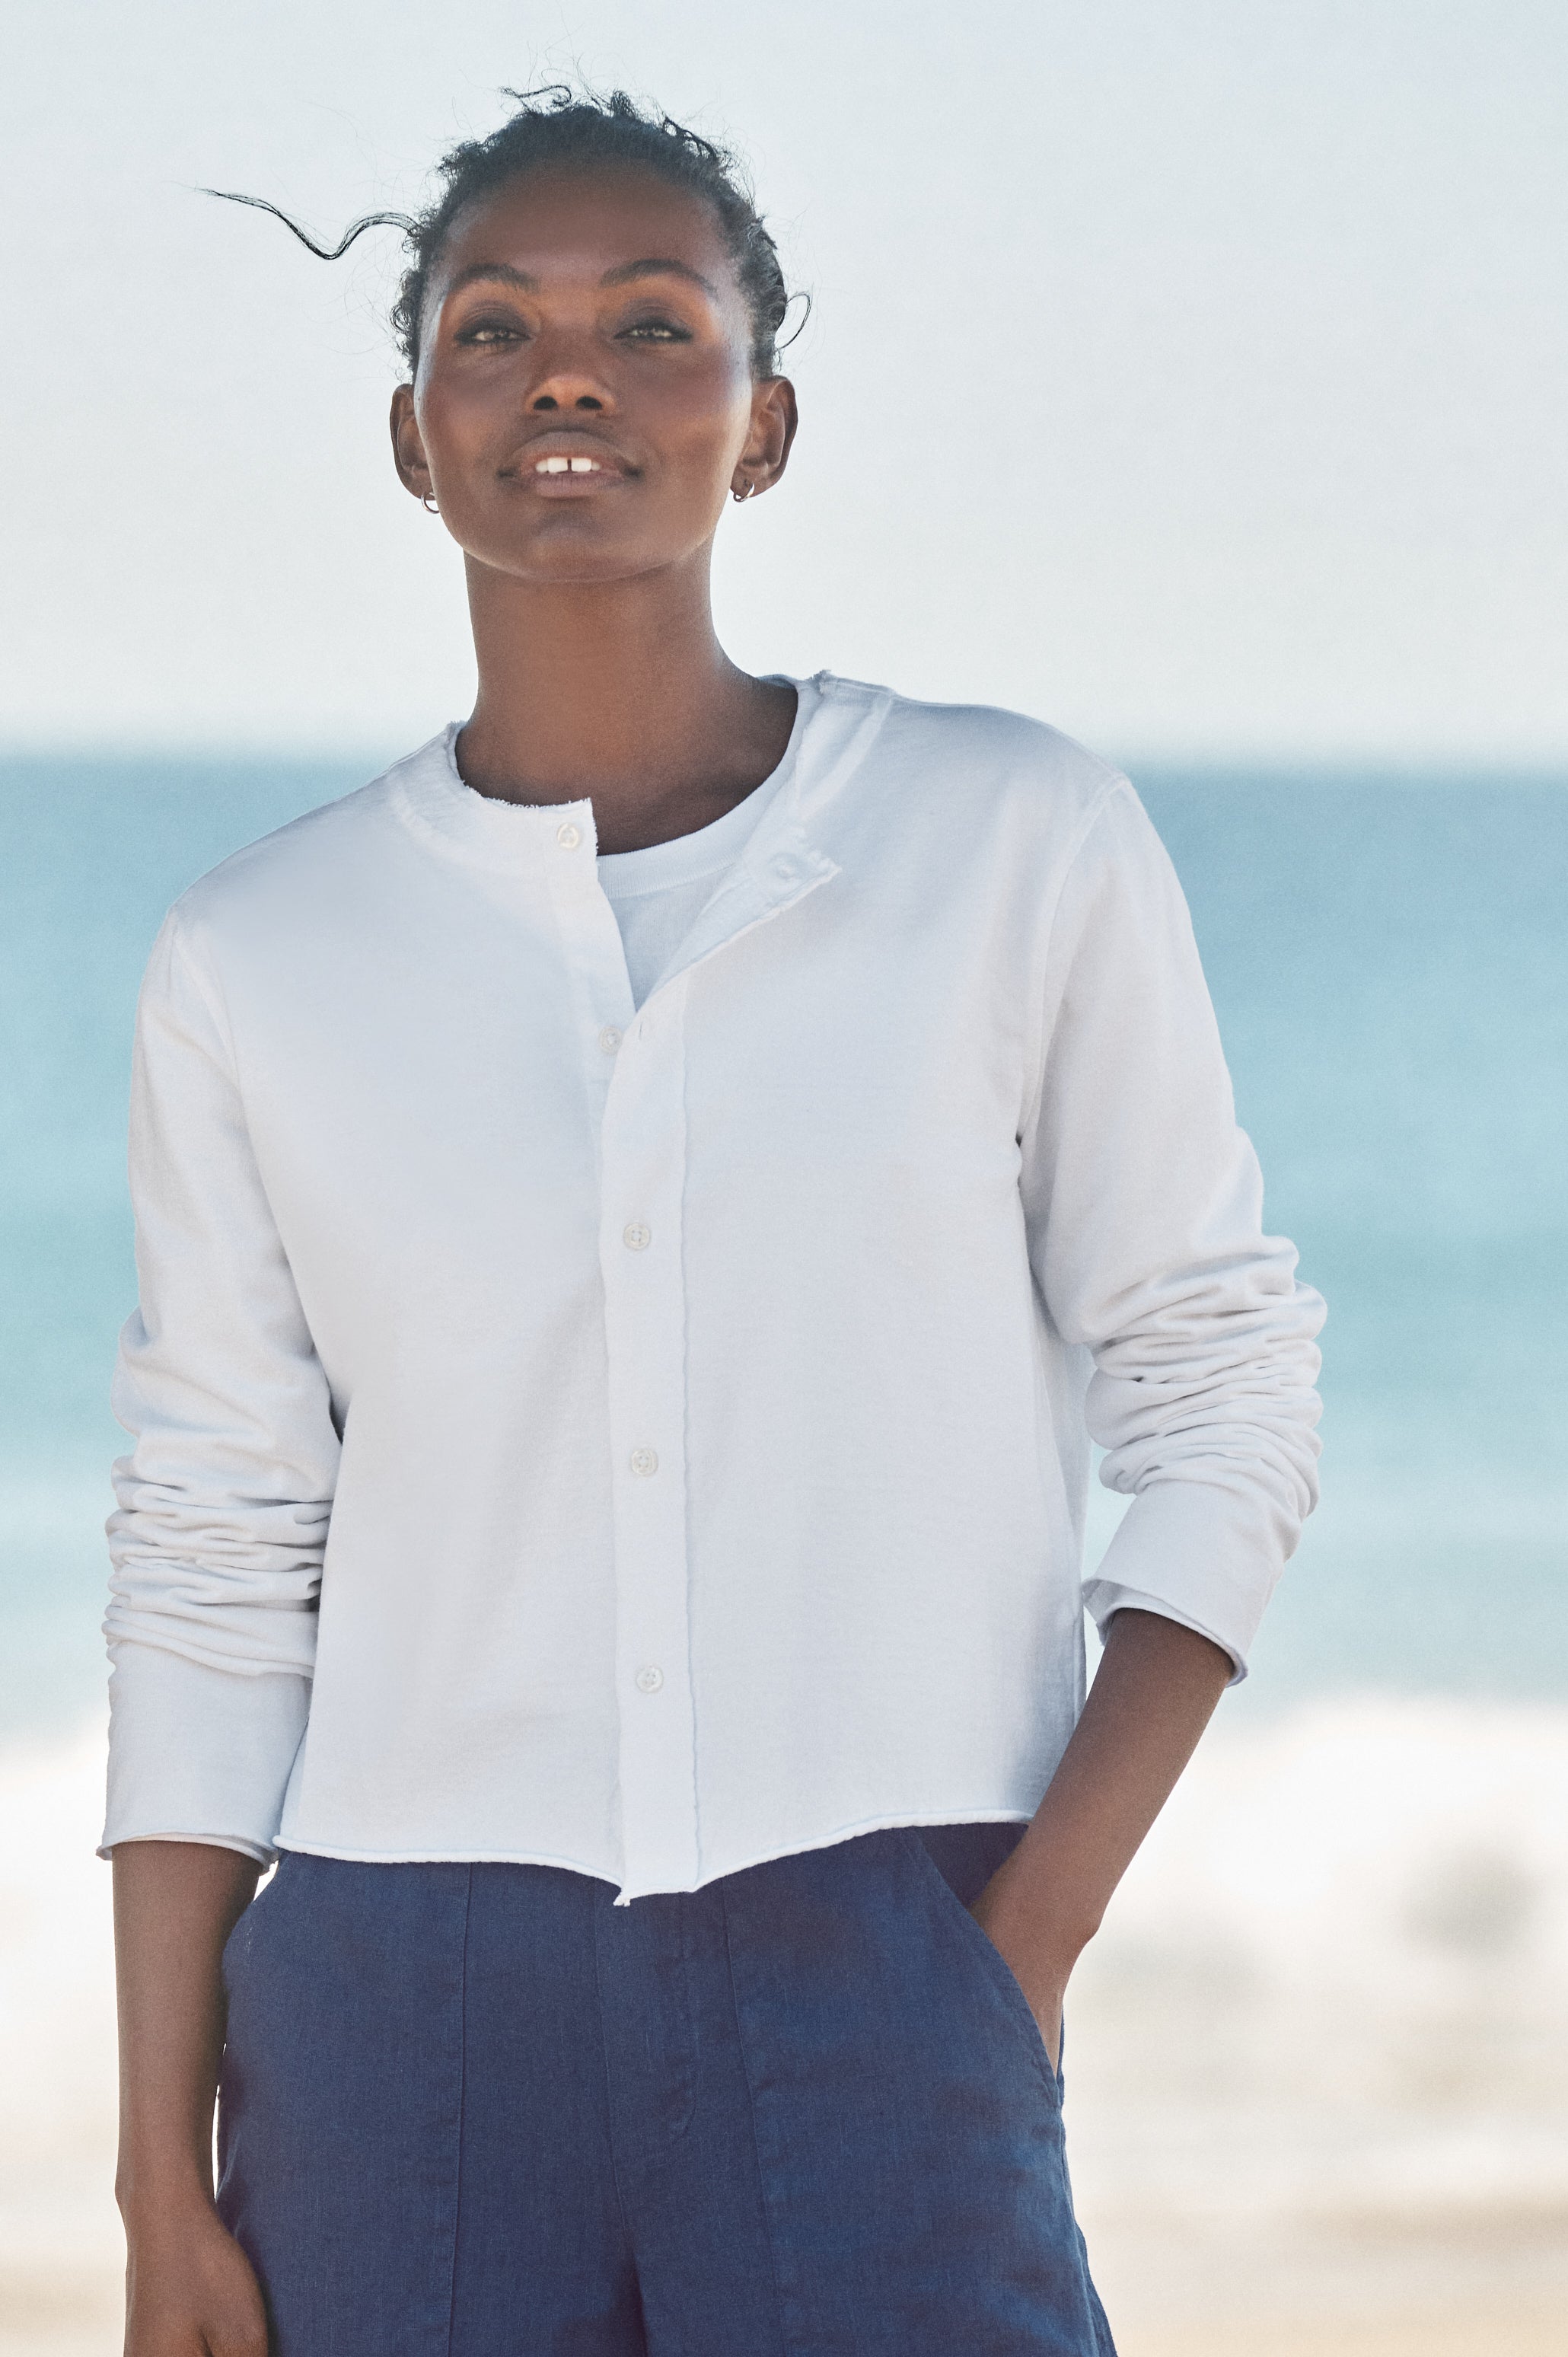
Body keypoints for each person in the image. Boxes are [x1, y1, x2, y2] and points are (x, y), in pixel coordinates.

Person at [103, 88, 1324, 2357]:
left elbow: (1221, 1386)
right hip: (395, 2010)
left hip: (889, 1955)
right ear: (410, 433)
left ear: (762, 427)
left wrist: (1021, 1935)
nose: (571, 377)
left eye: (654, 326)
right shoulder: (260, 954)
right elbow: (213, 1536)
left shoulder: (1006, 841)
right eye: (498, 330)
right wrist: (153, 2171)